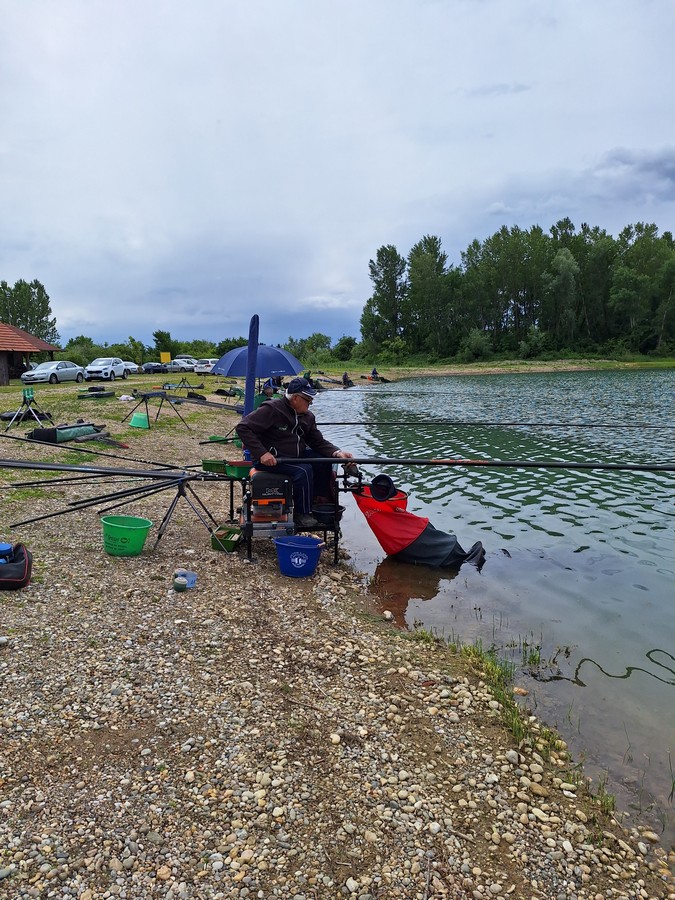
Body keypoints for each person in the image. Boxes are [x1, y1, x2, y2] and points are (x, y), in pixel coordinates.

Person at [236, 376, 354, 528]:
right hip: (271, 459)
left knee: (323, 461)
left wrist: (337, 453)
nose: (311, 403)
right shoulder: (272, 409)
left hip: (295, 455)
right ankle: (302, 513)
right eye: (308, 400)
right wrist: (262, 453)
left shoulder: (308, 417)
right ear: (296, 398)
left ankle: (317, 501)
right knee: (304, 470)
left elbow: (317, 441)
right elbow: (243, 428)